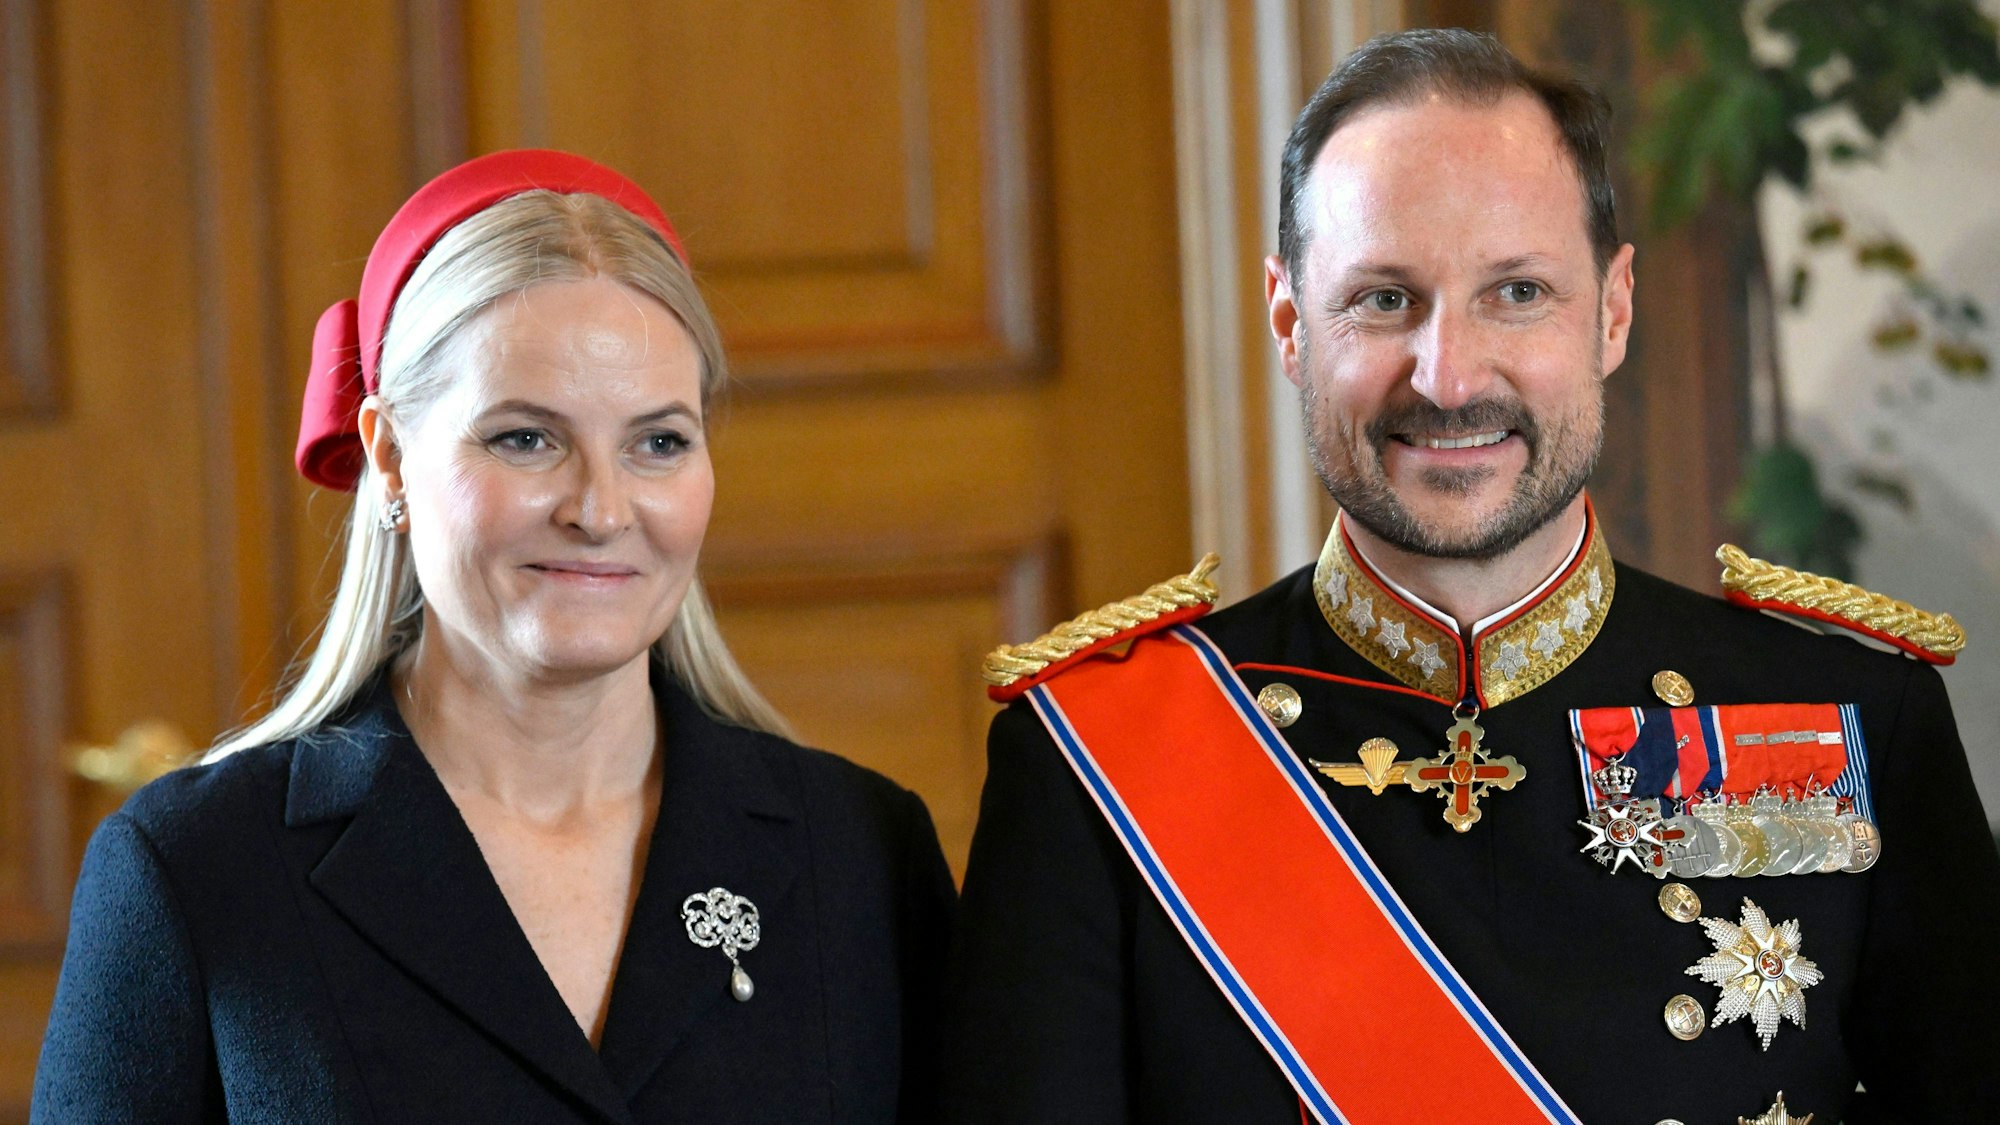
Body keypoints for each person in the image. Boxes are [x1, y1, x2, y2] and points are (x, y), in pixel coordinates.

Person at [942, 29, 2000, 1125]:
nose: (1446, 378)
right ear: (1290, 321)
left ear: (1613, 310)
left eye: (1517, 292)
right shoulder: (1092, 762)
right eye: (1384, 299)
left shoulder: (1855, 722)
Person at [34, 149, 955, 1123]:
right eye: (526, 437)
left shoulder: (860, 852)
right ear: (388, 456)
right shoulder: (194, 866)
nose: (601, 509)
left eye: (658, 442)